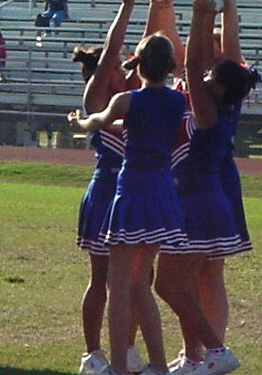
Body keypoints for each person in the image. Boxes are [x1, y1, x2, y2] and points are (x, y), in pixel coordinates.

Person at [69, 33, 188, 375]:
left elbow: (97, 121)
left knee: (119, 286)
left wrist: (77, 122)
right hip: (162, 193)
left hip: (133, 191)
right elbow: (142, 120)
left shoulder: (125, 101)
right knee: (141, 284)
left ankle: (119, 366)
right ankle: (159, 364)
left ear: (138, 64)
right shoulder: (177, 101)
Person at [154, 0, 249, 375]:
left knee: (168, 285)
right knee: (179, 284)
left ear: (220, 89)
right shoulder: (221, 105)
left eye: (211, 79)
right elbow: (199, 67)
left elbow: (192, 64)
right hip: (200, 200)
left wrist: (199, 16)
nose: (202, 79)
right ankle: (198, 356)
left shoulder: (209, 109)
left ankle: (215, 350)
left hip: (197, 203)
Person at [72, 0, 134, 375]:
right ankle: (93, 354)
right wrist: (127, 6)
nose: (123, 72)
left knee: (138, 280)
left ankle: (127, 349)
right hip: (107, 190)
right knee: (102, 279)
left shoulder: (132, 96)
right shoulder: (97, 99)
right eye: (117, 69)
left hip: (134, 191)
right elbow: (113, 50)